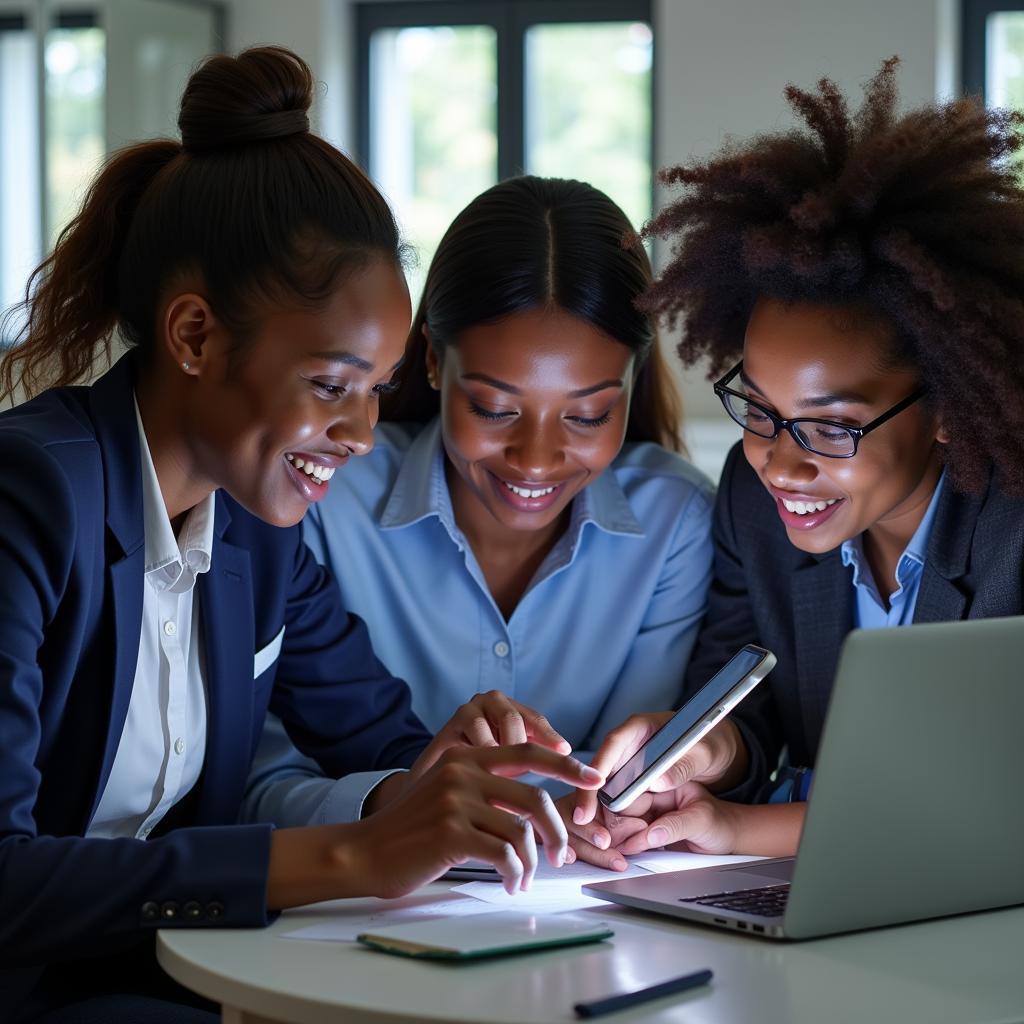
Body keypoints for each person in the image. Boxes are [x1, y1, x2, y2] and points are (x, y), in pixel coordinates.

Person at [0, 48, 603, 1024]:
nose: (363, 435)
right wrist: (352, 856)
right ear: (194, 335)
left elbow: (380, 738)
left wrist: (450, 778)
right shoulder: (32, 493)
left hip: (170, 980)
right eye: (330, 386)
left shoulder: (260, 531)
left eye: (374, 393)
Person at [570, 58, 1024, 866]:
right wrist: (704, 751)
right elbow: (757, 722)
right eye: (762, 410)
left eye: (828, 428)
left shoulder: (1010, 538)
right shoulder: (754, 503)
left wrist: (745, 833)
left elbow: (992, 807)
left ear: (949, 407)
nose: (779, 463)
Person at [240, 176, 714, 851]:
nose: (536, 459)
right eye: (495, 409)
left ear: (630, 387)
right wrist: (402, 807)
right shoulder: (320, 498)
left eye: (587, 415)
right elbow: (256, 785)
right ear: (432, 359)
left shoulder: (675, 523)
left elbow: (627, 781)